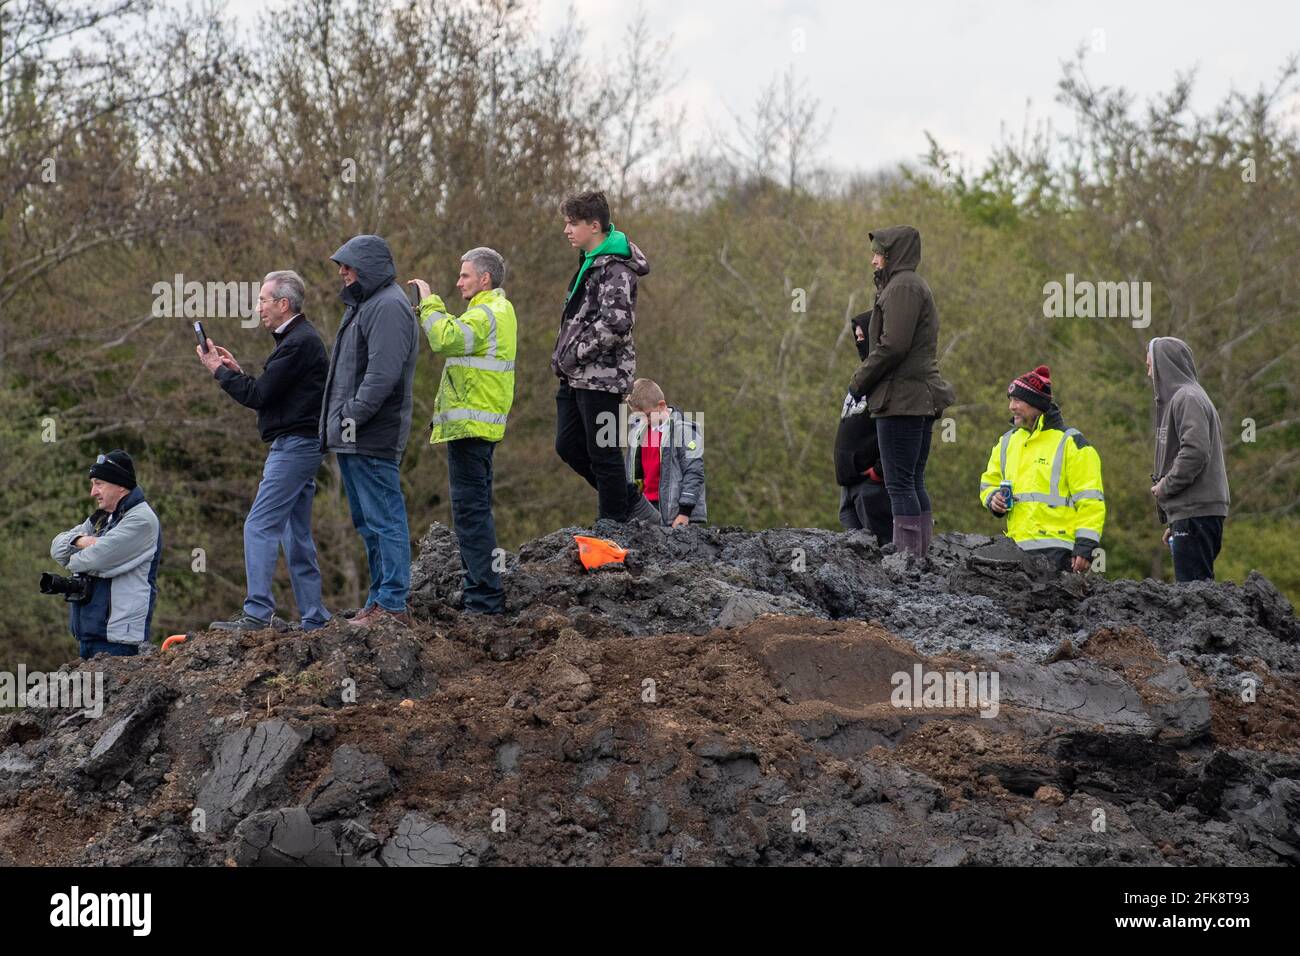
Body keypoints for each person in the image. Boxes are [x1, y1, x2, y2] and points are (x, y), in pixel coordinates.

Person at [197, 270, 331, 632]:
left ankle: (257, 612)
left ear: (283, 304)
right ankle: (314, 616)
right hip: (302, 444)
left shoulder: (298, 342)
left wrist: (218, 373)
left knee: (259, 524)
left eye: (262, 301)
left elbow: (257, 396)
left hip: (294, 448)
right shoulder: (296, 341)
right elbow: (271, 394)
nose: (258, 308)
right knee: (294, 532)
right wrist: (236, 371)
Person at [409, 247, 516, 615]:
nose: (458, 281)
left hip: (471, 429)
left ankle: (484, 600)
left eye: (465, 275)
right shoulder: (496, 310)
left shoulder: (487, 312)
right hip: (479, 427)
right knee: (477, 512)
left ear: (484, 279)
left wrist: (429, 303)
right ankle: (485, 590)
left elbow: (444, 338)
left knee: (471, 515)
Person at [321, 235, 420, 627]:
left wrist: (350, 416)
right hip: (352, 434)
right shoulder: (366, 304)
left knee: (385, 519)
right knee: (368, 523)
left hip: (371, 434)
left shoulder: (389, 306)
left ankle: (392, 604)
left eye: (348, 265)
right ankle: (379, 599)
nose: (342, 273)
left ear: (368, 266)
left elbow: (381, 376)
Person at [848, 225, 955, 558]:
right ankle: (918, 559)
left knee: (899, 484)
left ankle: (907, 561)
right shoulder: (906, 286)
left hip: (902, 400)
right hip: (913, 398)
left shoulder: (903, 287)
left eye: (878, 254)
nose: (873, 261)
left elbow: (893, 345)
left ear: (892, 255)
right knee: (911, 481)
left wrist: (859, 380)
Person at [551, 189, 650, 527]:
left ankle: (614, 526)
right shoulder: (591, 262)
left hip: (602, 376)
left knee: (604, 454)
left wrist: (574, 354)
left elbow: (617, 324)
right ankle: (629, 501)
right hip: (576, 375)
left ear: (594, 226)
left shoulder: (616, 268)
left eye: (572, 223)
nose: (567, 230)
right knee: (567, 445)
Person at [978, 365, 1105, 573]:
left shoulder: (1072, 442)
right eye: (1010, 400)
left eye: (1017, 400)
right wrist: (993, 498)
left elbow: (1091, 501)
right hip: (1015, 550)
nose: (1011, 407)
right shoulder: (1007, 441)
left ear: (1036, 404)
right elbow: (987, 482)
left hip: (1060, 552)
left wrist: (1085, 547)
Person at [49, 450, 162, 659]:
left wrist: (75, 556)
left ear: (120, 485)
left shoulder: (141, 520)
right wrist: (80, 541)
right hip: (90, 636)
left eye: (98, 483)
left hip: (120, 644)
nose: (93, 492)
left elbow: (95, 560)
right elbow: (56, 548)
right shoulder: (103, 517)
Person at [1147, 337, 1230, 581]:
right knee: (1197, 592)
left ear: (1165, 366)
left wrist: (1165, 487)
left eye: (1151, 365)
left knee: (1196, 598)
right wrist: (1175, 519)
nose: (1149, 372)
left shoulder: (1187, 398)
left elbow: (1195, 451)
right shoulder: (1188, 397)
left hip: (1196, 513)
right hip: (1191, 514)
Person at [835, 311, 893, 544]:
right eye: (856, 337)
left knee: (881, 550)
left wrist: (879, 470)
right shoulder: (861, 378)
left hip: (871, 487)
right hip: (847, 486)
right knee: (854, 557)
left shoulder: (887, 379)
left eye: (863, 337)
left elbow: (893, 429)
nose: (859, 341)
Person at [623, 378, 706, 527]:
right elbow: (632, 472)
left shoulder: (685, 430)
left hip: (674, 513)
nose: (644, 421)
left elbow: (694, 472)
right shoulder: (637, 432)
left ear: (661, 405)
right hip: (644, 508)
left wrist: (684, 512)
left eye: (647, 415)